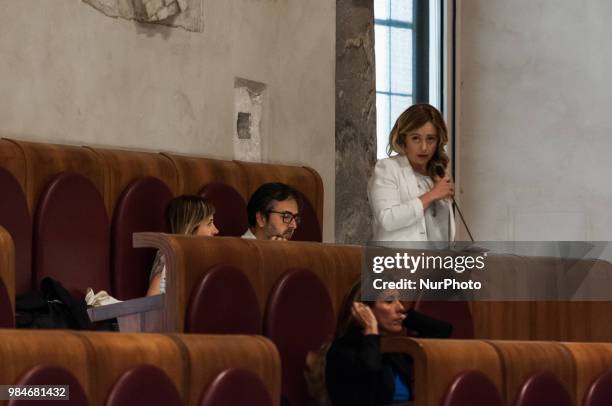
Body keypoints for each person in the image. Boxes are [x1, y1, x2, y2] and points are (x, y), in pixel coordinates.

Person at [368, 103, 456, 242]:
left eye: (430, 139)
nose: (424, 147)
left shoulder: (437, 175)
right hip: (398, 261)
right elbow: (388, 219)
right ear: (404, 139)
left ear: (438, 141)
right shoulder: (388, 168)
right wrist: (431, 195)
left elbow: (443, 233)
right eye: (415, 138)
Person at [325, 280, 414, 406]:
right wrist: (371, 328)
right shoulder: (343, 350)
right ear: (364, 310)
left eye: (400, 301)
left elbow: (442, 330)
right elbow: (367, 392)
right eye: (389, 301)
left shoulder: (395, 348)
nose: (401, 308)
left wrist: (411, 319)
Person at [146, 195, 218, 296]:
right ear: (191, 227)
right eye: (210, 223)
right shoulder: (170, 258)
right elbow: (152, 307)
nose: (216, 230)